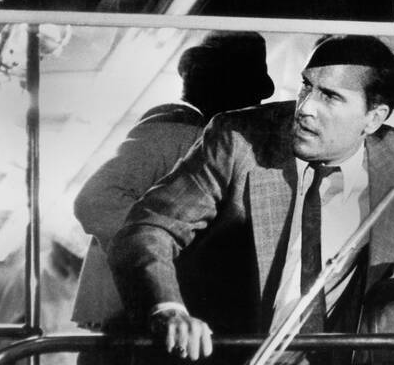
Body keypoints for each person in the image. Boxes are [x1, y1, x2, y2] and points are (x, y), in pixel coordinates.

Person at [94, 35, 394, 365]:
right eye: (306, 87)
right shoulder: (238, 140)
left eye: (331, 96)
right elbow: (148, 229)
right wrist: (168, 307)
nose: (306, 107)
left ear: (373, 119)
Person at [71, 30, 274, 327]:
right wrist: (165, 249)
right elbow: (95, 201)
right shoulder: (172, 133)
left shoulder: (199, 139)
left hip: (145, 315)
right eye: (247, 88)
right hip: (130, 318)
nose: (253, 102)